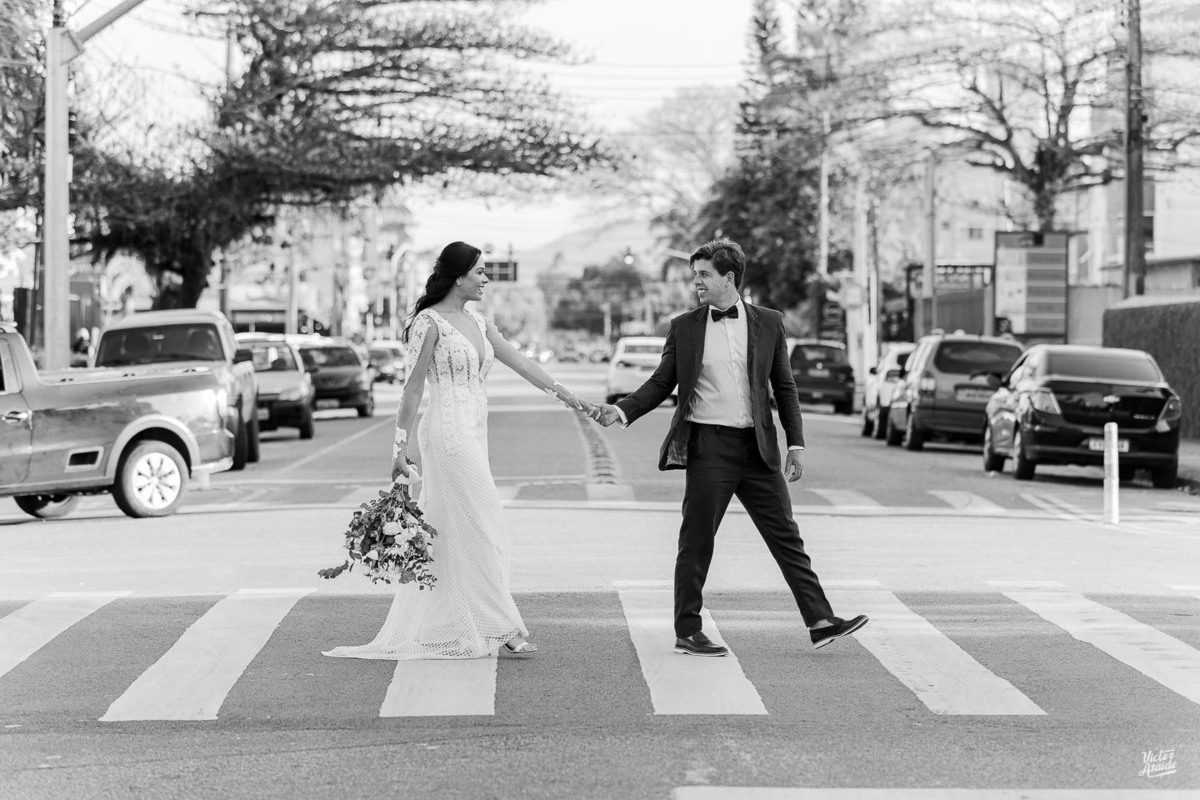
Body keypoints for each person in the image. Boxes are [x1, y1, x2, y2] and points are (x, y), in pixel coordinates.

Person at [590, 239, 868, 656]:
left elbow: (785, 388)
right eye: (694, 275)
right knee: (697, 540)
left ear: (729, 278)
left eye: (703, 275)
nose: (696, 282)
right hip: (709, 447)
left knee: (786, 537)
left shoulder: (769, 322)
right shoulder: (684, 327)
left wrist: (796, 443)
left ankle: (820, 620)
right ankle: (688, 629)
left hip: (757, 448)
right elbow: (661, 384)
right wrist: (622, 411)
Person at [324, 241, 594, 661]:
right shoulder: (427, 324)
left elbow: (521, 363)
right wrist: (399, 449)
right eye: (481, 271)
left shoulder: (479, 323)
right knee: (486, 523)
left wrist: (569, 396)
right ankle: (501, 626)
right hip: (446, 435)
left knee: (459, 530)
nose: (487, 278)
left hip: (474, 430)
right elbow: (412, 389)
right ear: (458, 276)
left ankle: (461, 621)